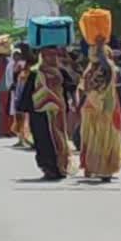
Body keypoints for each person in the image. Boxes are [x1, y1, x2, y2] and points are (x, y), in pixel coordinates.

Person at [17, 46, 76, 180]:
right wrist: (23, 108)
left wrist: (74, 100)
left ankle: (61, 167)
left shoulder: (61, 71)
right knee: (42, 140)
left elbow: (71, 86)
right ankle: (48, 168)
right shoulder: (35, 72)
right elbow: (28, 91)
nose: (51, 58)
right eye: (47, 55)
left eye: (53, 55)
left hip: (57, 113)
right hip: (38, 112)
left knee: (59, 139)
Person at [79, 43, 121, 181]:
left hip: (104, 109)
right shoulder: (92, 71)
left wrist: (100, 49)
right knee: (95, 138)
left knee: (101, 138)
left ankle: (102, 168)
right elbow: (84, 89)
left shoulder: (108, 69)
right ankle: (95, 167)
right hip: (95, 109)